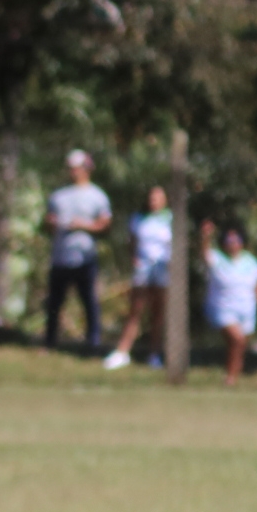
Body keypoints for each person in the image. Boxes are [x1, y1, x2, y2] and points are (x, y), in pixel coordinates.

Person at [42, 150, 112, 354]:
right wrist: (50, 223)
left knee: (89, 301)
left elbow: (105, 225)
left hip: (85, 257)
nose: (73, 172)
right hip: (60, 257)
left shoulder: (97, 196)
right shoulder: (58, 196)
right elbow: (47, 225)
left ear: (87, 169)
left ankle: (93, 343)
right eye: (70, 168)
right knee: (54, 302)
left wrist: (84, 226)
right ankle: (49, 342)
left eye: (77, 168)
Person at [104, 187, 175, 370]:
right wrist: (134, 258)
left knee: (157, 313)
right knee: (136, 309)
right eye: (152, 197)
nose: (154, 201)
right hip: (143, 269)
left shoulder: (170, 219)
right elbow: (132, 242)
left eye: (158, 197)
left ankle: (154, 354)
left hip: (162, 269)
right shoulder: (138, 218)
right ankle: (123, 351)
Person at [200, 221, 257, 388]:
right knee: (237, 340)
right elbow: (204, 253)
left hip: (246, 310)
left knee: (238, 345)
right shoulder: (217, 258)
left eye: (236, 240)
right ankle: (230, 377)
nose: (233, 244)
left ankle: (233, 377)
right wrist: (205, 236)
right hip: (223, 309)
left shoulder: (251, 262)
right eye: (229, 241)